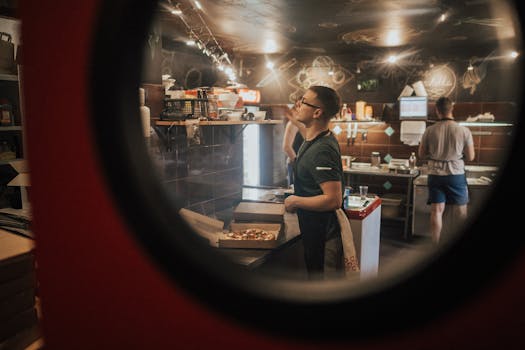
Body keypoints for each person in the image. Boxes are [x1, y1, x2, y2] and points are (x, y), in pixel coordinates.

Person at [284, 86, 344, 279]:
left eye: (304, 101)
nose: (298, 104)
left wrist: (295, 201)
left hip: (324, 236)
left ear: (317, 112)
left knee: (324, 291)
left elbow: (334, 200)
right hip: (313, 232)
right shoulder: (312, 139)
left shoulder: (322, 150)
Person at [418, 96, 475, 245]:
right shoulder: (464, 130)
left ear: (437, 111)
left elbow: (421, 154)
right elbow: (471, 156)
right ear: (451, 109)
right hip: (456, 175)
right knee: (461, 212)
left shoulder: (429, 130)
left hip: (435, 175)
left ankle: (435, 244)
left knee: (437, 211)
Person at [282, 105, 306, 187]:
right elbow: (287, 147)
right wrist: (298, 164)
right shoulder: (292, 124)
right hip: (296, 165)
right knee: (296, 191)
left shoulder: (301, 124)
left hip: (303, 165)